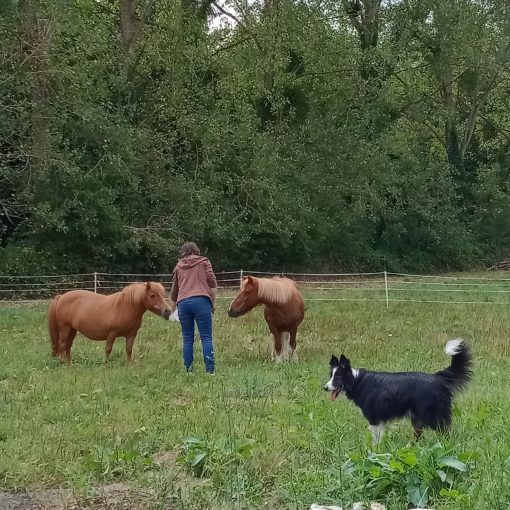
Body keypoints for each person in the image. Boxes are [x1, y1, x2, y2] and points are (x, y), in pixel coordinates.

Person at [170, 242, 217, 374]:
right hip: (201, 300)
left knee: (187, 338)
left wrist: (172, 310)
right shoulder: (204, 262)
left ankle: (189, 370)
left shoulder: (178, 267)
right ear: (196, 251)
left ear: (183, 252)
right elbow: (212, 281)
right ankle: (210, 371)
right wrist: (213, 303)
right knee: (206, 337)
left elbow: (174, 291)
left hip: (183, 303)